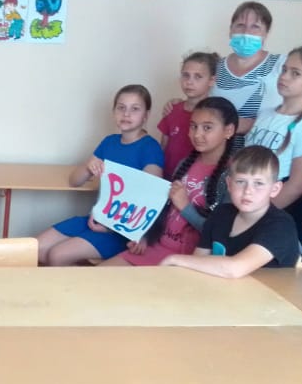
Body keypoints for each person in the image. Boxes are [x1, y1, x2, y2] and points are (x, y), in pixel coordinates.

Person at [36, 85, 164, 265]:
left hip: (121, 232)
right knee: (36, 248)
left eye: (135, 109)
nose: (126, 114)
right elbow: (74, 181)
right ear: (114, 112)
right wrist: (89, 166)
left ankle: (77, 280)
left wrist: (140, 235)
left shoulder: (150, 148)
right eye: (121, 108)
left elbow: (152, 197)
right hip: (95, 218)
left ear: (146, 115)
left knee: (57, 255)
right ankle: (78, 276)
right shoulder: (109, 142)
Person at [107, 97, 237, 266]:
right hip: (156, 248)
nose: (197, 134)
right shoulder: (184, 164)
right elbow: (163, 208)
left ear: (228, 130)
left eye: (207, 128)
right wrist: (146, 236)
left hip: (190, 260)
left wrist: (185, 207)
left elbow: (220, 234)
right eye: (193, 126)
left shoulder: (234, 176)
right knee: (98, 276)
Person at [161, 145, 300, 277]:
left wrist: (175, 259)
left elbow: (234, 269)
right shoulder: (221, 214)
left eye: (258, 183)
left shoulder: (281, 226)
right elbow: (198, 260)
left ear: (275, 189)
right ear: (229, 184)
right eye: (240, 181)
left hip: (267, 294)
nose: (248, 191)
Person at [246, 46, 302, 239]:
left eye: (295, 73)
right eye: (284, 70)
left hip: (277, 213)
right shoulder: (265, 114)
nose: (284, 77)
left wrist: (255, 216)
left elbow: (297, 186)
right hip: (249, 202)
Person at [212, 1, 285, 150]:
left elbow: (295, 111)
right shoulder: (215, 66)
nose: (246, 32)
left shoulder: (282, 65)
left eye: (255, 27)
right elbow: (201, 106)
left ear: (266, 33)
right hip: (218, 155)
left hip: (262, 158)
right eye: (240, 25)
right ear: (230, 30)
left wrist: (248, 125)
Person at [157, 51, 219, 178]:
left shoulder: (216, 115)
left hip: (196, 181)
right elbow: (163, 147)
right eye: (186, 75)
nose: (189, 82)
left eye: (198, 76)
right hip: (167, 178)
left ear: (211, 80)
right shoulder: (172, 109)